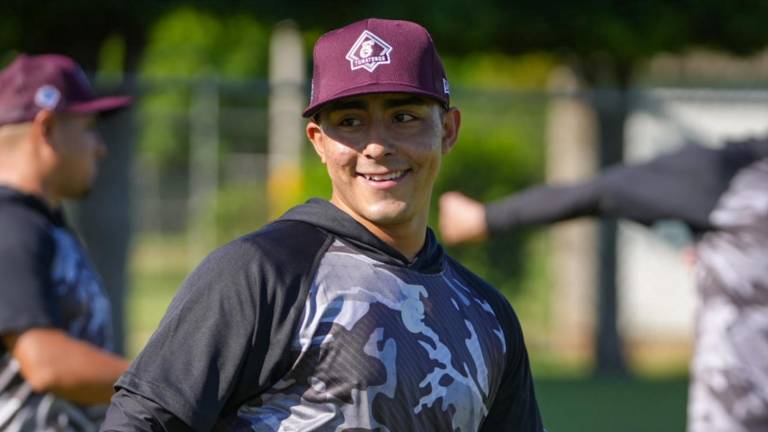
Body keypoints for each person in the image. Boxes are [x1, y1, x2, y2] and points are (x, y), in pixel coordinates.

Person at [102, 18, 544, 431]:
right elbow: (139, 421)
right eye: (350, 122)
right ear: (318, 141)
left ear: (448, 130)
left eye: (403, 117)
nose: (376, 146)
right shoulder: (260, 273)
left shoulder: (488, 314)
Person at [439, 138, 768, 431]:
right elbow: (608, 192)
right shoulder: (735, 176)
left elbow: (604, 192)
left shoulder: (733, 178)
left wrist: (485, 218)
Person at [0, 54, 132, 430]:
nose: (100, 147)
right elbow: (46, 362)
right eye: (88, 128)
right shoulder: (10, 225)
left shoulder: (38, 223)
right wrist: (165, 384)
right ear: (46, 127)